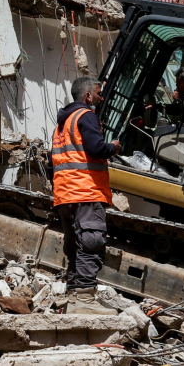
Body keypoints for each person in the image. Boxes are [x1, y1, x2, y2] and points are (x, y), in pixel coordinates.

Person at [50, 76, 121, 314]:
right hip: (86, 191)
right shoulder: (86, 116)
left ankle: (73, 297)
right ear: (88, 96)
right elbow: (98, 149)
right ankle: (85, 303)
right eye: (99, 93)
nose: (101, 97)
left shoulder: (62, 124)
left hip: (65, 194)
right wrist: (114, 147)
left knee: (75, 247)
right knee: (91, 244)